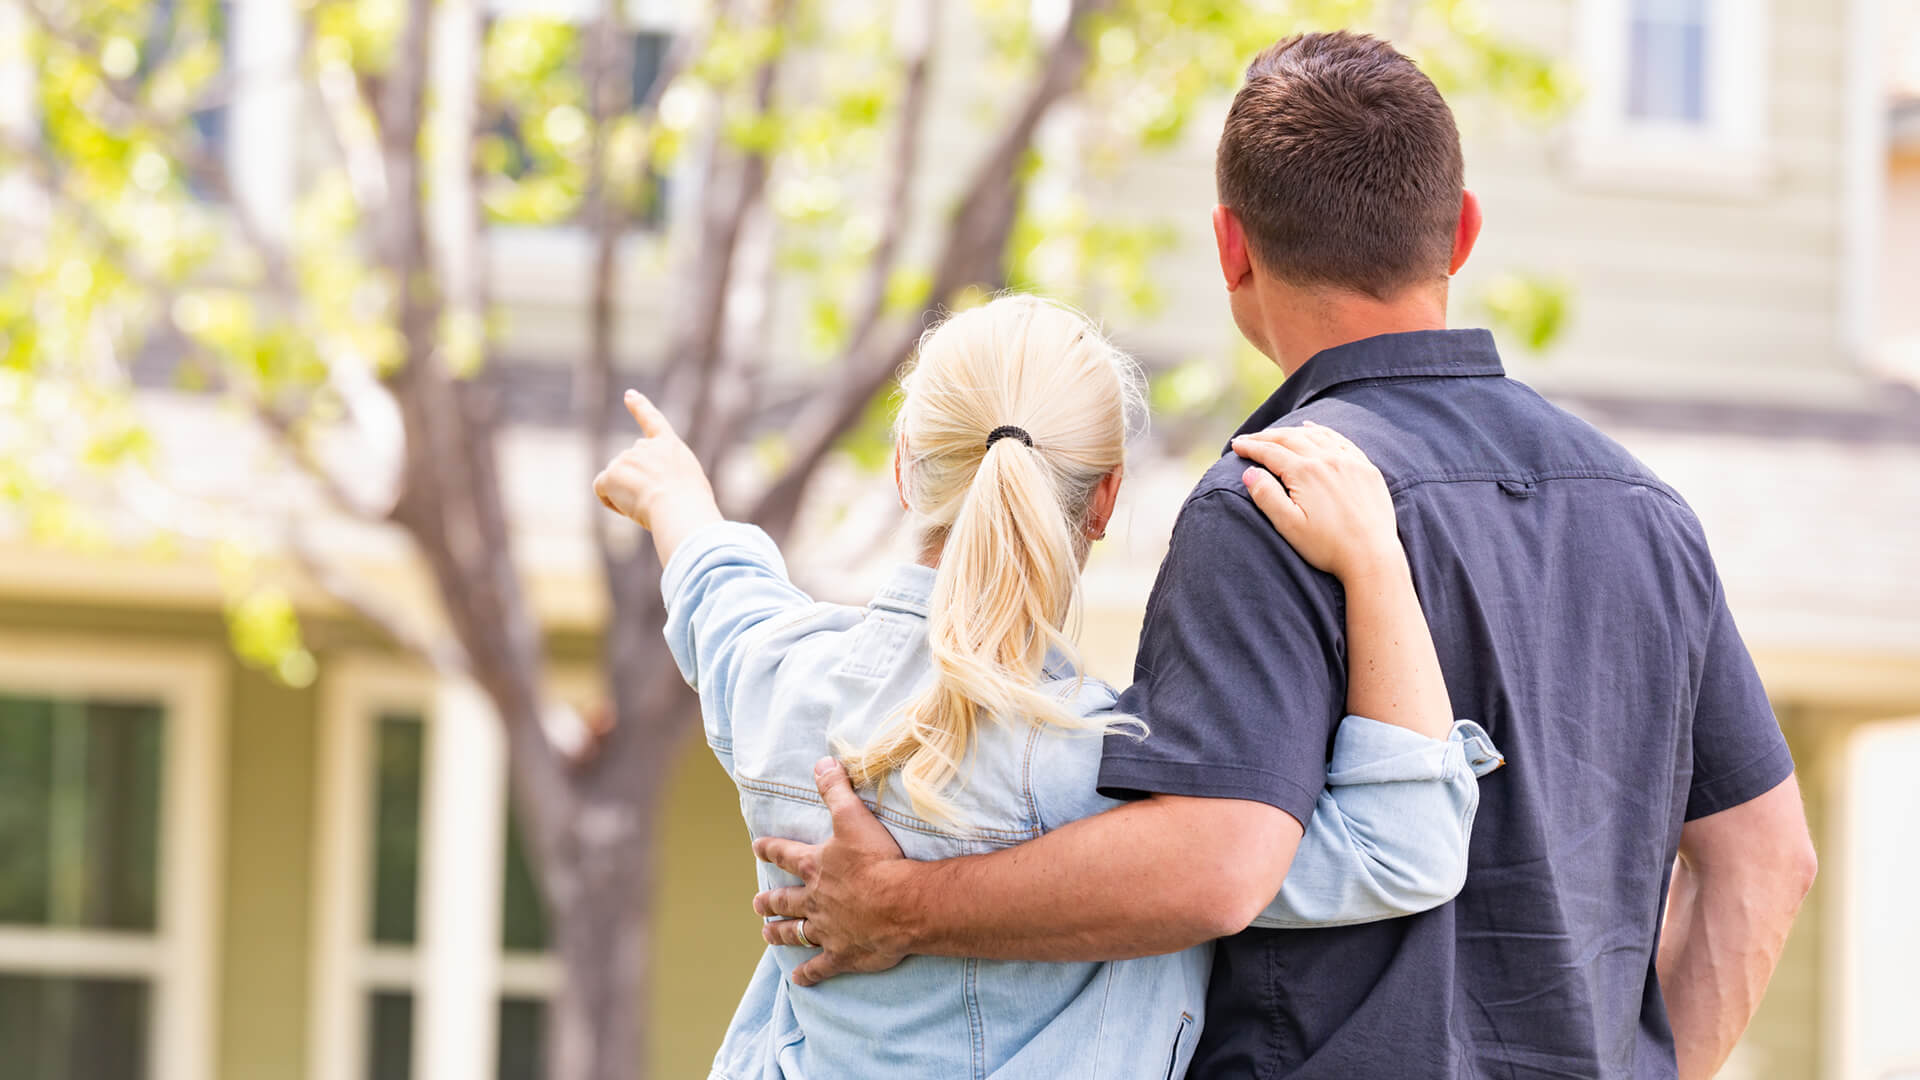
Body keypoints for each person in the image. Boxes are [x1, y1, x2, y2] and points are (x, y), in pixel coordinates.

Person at [747, 31, 1818, 1080]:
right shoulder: (1646, 514)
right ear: (1463, 234)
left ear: (1230, 247)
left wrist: (904, 906)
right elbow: (1768, 863)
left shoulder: (1266, 502)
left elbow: (1211, 865)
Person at [592, 294, 1505, 1077]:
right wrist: (1376, 562)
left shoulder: (783, 687)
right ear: (1105, 502)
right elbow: (1404, 845)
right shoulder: (1123, 790)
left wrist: (677, 499)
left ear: (906, 466)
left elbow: (723, 600)